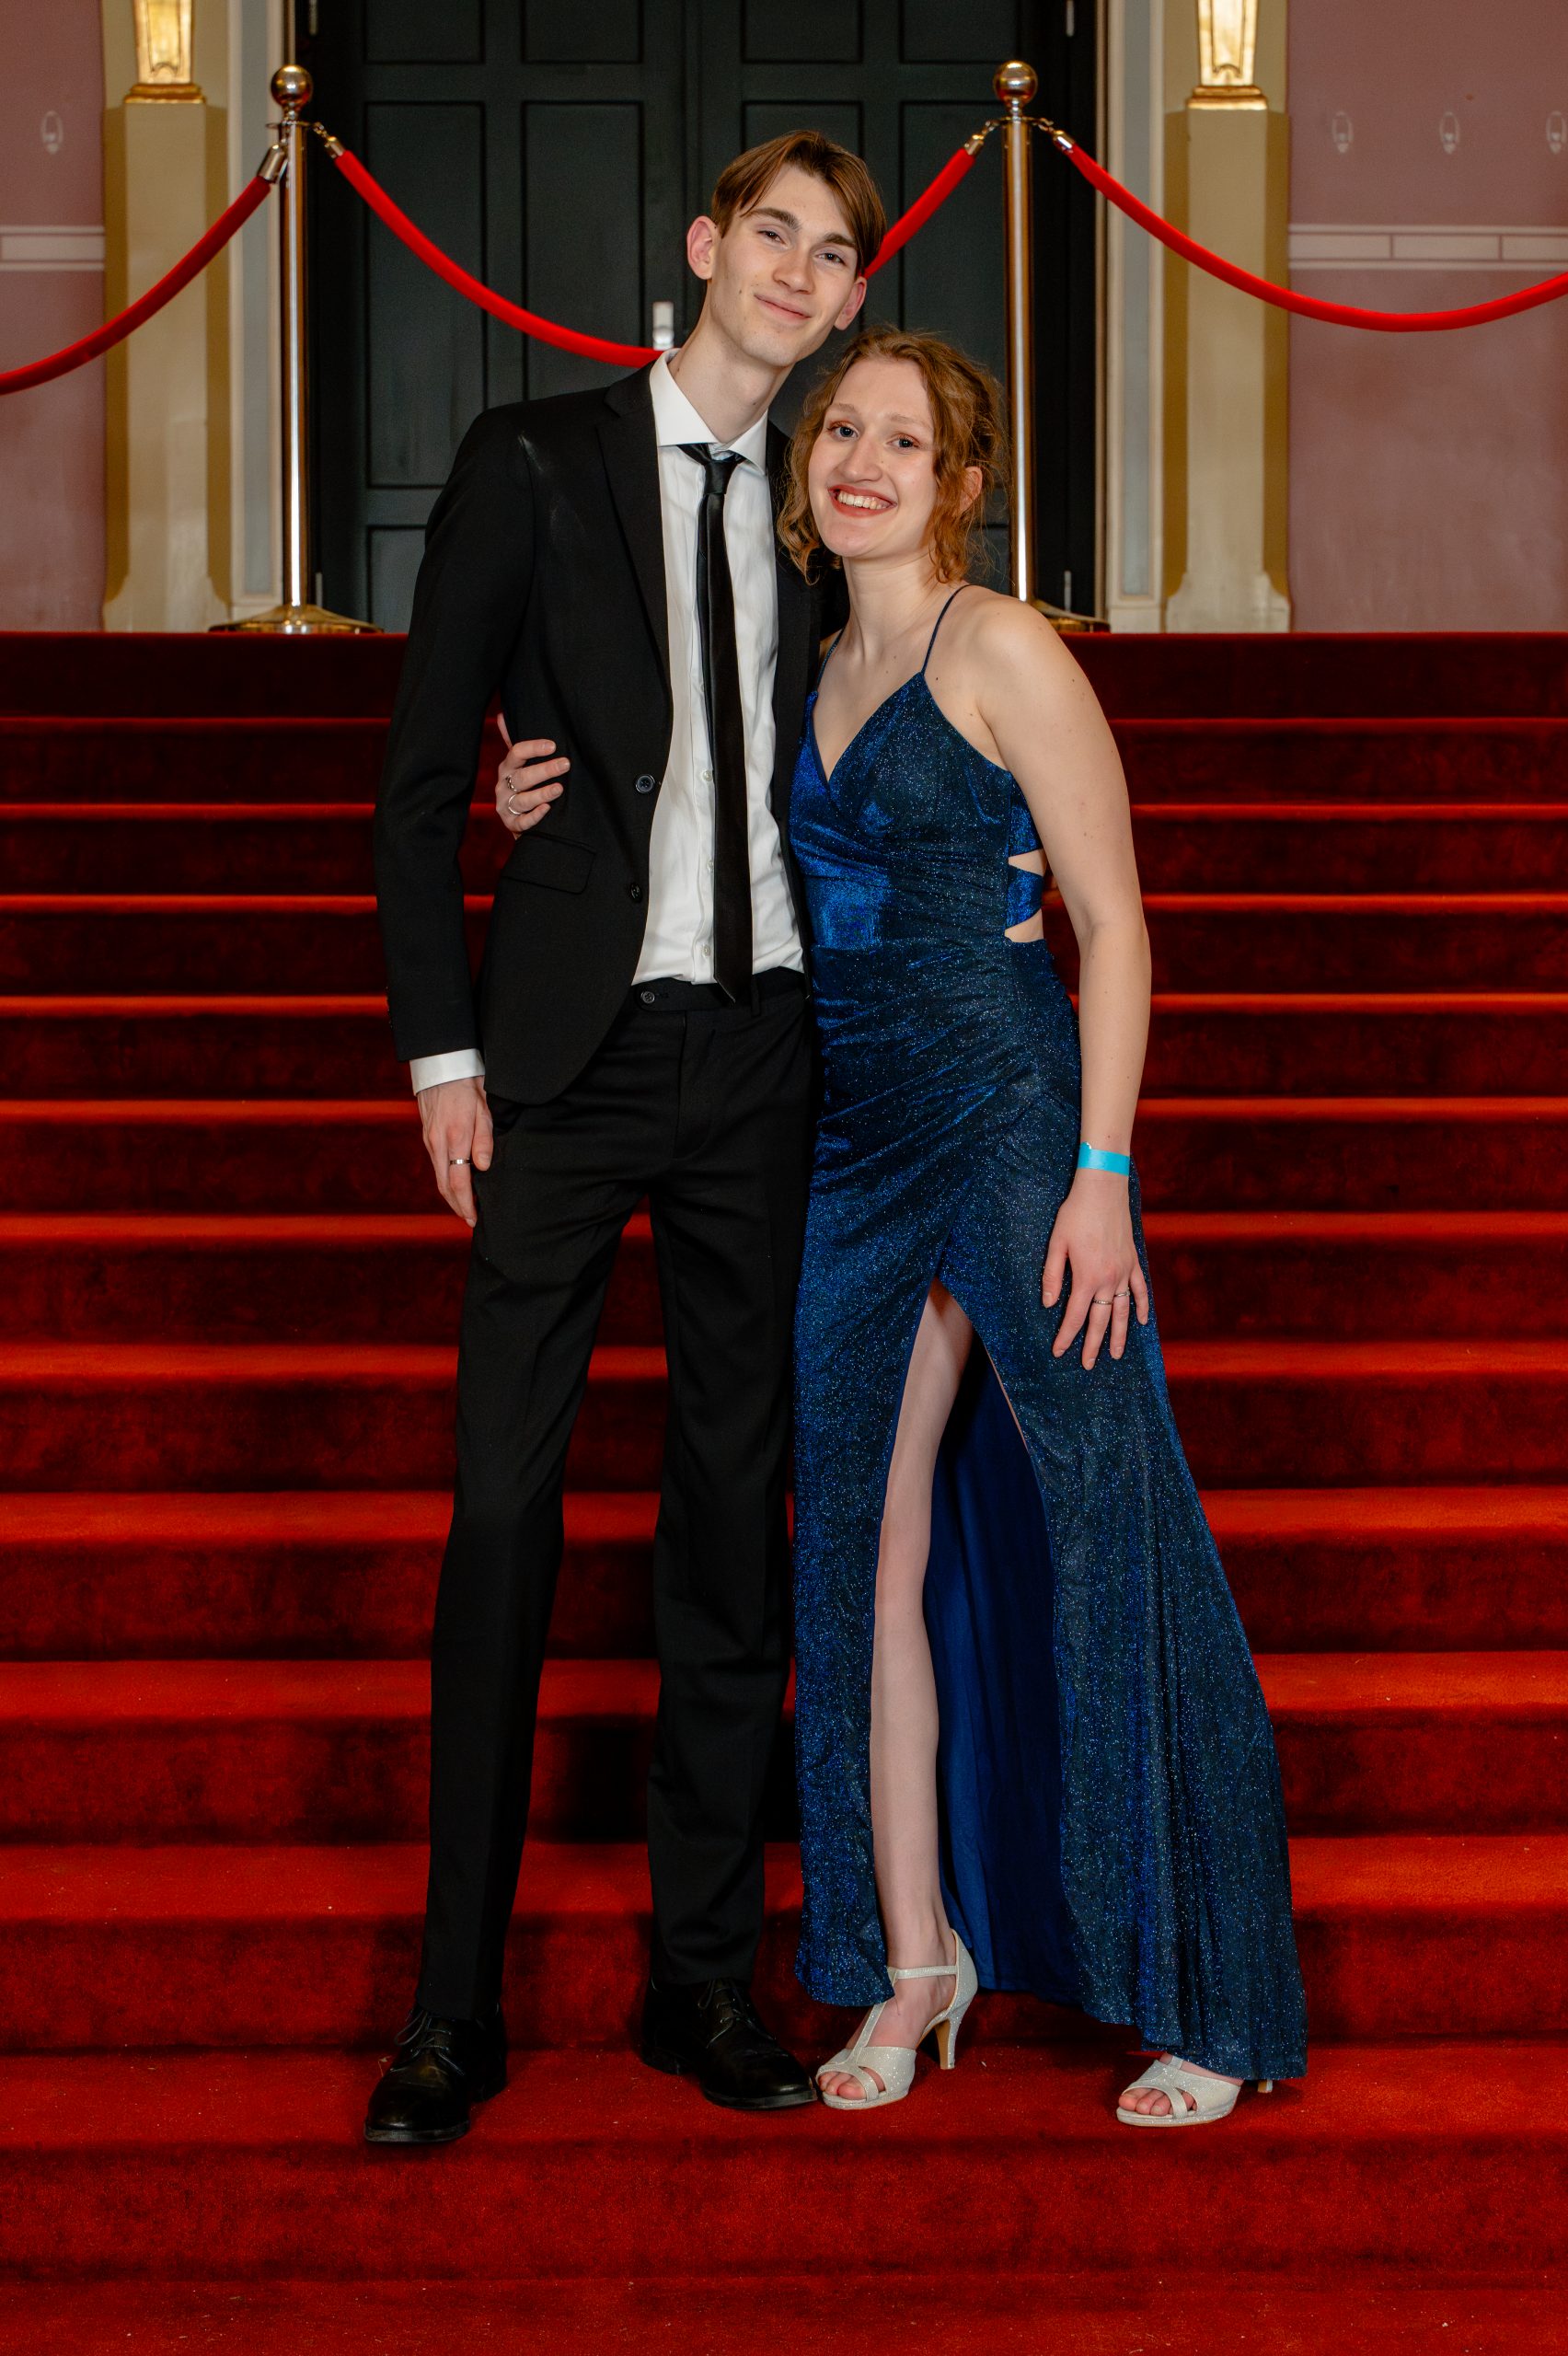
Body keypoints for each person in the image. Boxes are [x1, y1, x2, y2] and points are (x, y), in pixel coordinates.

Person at [364, 132, 883, 2146]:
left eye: (833, 255)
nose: (798, 272)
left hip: (766, 1057)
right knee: (504, 1514)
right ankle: (451, 2007)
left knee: (730, 1521)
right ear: (703, 248)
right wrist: (445, 1059)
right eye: (774, 234)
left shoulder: (833, 509)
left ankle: (701, 1980)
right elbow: (425, 781)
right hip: (566, 1061)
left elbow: (900, 714)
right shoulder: (530, 462)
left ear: (849, 302)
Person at [778, 325, 1308, 2121]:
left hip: (1014, 1122)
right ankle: (909, 1955)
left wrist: (1102, 1173)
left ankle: (1209, 1991)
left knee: (1109, 1511)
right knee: (856, 1544)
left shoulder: (999, 644)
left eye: (901, 441)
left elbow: (1116, 920)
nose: (861, 461)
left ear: (960, 481)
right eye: (841, 430)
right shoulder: (805, 666)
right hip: (853, 1147)